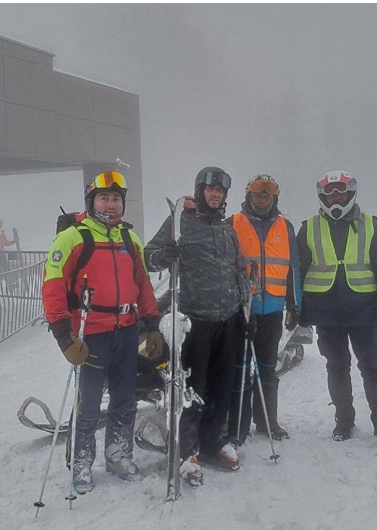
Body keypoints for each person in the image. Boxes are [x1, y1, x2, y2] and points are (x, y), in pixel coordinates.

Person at [42, 170, 163, 494]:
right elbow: (52, 286)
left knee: (124, 399)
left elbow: (142, 284)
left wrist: (152, 324)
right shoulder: (73, 237)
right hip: (90, 334)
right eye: (104, 198)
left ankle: (118, 455)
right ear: (91, 201)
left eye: (116, 199)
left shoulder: (129, 239)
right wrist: (63, 335)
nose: (111, 204)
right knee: (90, 403)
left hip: (126, 331)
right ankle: (81, 462)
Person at [145, 166, 249, 485]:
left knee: (222, 385)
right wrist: (164, 256)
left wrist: (246, 313)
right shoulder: (180, 222)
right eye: (210, 189)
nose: (215, 194)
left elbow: (238, 271)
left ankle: (213, 441)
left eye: (220, 191)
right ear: (200, 191)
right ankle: (186, 450)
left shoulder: (228, 230)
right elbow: (148, 256)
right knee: (191, 388)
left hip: (228, 319)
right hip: (194, 320)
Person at [294, 170, 377, 450]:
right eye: (329, 193)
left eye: (340, 192)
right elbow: (298, 270)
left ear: (351, 193)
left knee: (373, 367)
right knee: (337, 367)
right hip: (326, 312)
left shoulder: (371, 225)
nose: (335, 198)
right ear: (322, 196)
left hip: (364, 311)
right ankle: (344, 422)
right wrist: (297, 306)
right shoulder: (309, 227)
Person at [227, 174, 300, 445]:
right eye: (258, 194)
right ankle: (238, 426)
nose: (262, 198)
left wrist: (295, 305)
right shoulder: (232, 223)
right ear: (249, 195)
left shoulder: (285, 226)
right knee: (241, 369)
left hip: (273, 309)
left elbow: (294, 269)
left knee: (268, 369)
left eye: (268, 195)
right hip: (242, 310)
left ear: (274, 198)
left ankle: (268, 422)